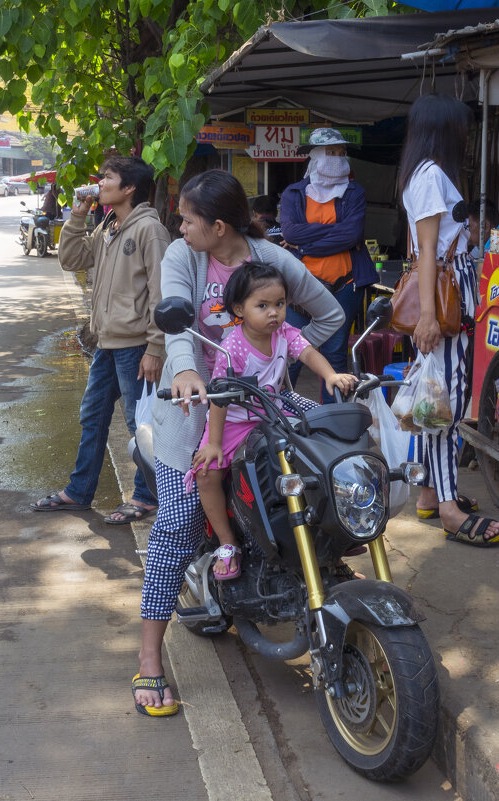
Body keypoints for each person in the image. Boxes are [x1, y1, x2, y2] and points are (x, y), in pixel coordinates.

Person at [134, 169, 343, 716]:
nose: (180, 226)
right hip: (192, 403)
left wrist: (274, 353)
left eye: (188, 219)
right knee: (178, 525)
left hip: (261, 397)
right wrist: (185, 371)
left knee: (334, 457)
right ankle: (150, 658)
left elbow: (328, 314)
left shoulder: (272, 261)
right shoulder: (182, 256)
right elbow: (178, 325)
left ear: (218, 225)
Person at [189, 261, 356, 580]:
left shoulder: (285, 333)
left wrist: (331, 375)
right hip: (235, 420)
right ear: (239, 308)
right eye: (262, 305)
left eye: (279, 304)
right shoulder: (232, 347)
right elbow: (220, 398)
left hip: (275, 413)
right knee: (206, 474)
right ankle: (227, 542)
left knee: (319, 453)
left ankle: (329, 530)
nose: (273, 313)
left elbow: (308, 353)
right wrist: (213, 443)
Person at [31, 156, 165, 524]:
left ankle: (146, 496)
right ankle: (79, 491)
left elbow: (161, 293)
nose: (100, 183)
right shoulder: (108, 225)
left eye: (108, 178)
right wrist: (76, 216)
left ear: (129, 188)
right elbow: (72, 260)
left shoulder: (148, 230)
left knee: (142, 424)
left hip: (136, 344)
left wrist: (156, 347)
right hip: (106, 342)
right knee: (93, 416)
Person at [398, 94, 499, 547]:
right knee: (445, 405)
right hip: (442, 300)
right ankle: (447, 507)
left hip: (447, 295)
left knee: (435, 397)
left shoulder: (425, 174)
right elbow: (426, 251)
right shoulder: (430, 177)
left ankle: (429, 493)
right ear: (447, 130)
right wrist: (427, 316)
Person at [279, 128, 376, 401]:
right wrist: (336, 234)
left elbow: (352, 234)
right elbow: (290, 233)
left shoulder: (354, 192)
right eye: (331, 153)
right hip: (299, 291)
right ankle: (283, 417)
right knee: (294, 354)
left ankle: (332, 424)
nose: (338, 158)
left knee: (334, 355)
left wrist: (306, 244)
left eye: (342, 153)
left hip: (344, 286)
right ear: (316, 156)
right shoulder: (294, 193)